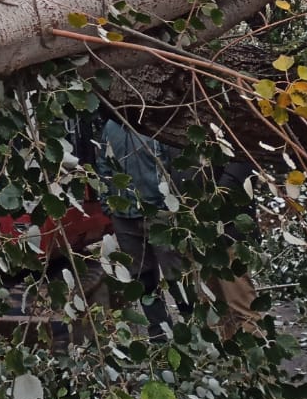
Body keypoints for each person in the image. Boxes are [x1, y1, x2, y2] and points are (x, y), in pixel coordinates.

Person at [97, 117, 257, 339]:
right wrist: (108, 202)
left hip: (182, 218)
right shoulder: (111, 127)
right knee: (144, 278)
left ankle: (199, 330)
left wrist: (173, 206)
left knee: (183, 277)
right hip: (130, 216)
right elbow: (104, 165)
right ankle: (161, 334)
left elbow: (173, 168)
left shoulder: (160, 125)